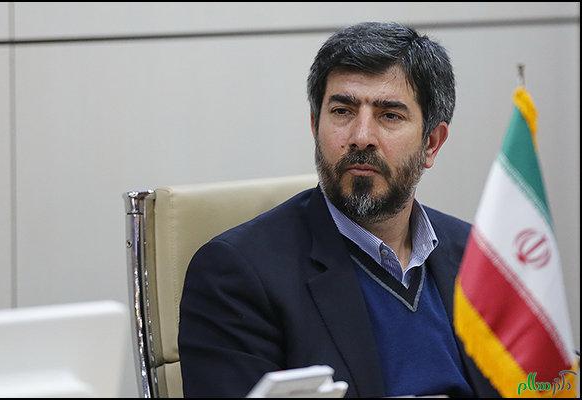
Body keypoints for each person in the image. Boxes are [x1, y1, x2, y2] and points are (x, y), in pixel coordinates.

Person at [178, 21, 499, 398]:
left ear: (431, 142)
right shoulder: (236, 275)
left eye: (389, 115)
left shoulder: (479, 259)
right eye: (343, 111)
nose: (361, 137)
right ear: (315, 126)